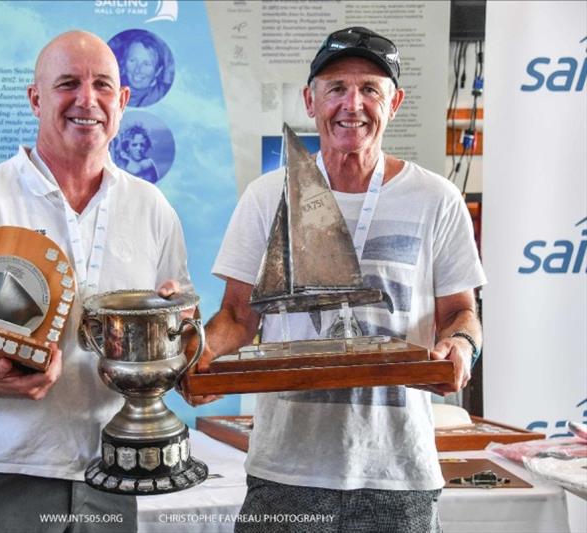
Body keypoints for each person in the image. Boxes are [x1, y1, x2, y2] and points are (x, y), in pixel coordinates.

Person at [185, 27, 486, 532]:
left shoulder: (436, 199)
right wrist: (202, 357)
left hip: (398, 473)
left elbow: (461, 313)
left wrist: (460, 345)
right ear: (310, 100)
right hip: (286, 469)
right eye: (336, 88)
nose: (354, 103)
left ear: (395, 102)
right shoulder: (266, 198)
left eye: (370, 88)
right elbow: (238, 316)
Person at [0, 30, 192, 533]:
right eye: (67, 84)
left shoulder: (153, 209)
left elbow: (179, 327)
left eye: (102, 85)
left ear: (122, 101)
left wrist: (172, 331)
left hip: (113, 473)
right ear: (35, 99)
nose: (86, 100)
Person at [120, 34, 168, 107]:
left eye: (146, 64)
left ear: (158, 71)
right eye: (132, 60)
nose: (137, 70)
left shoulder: (166, 101)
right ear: (124, 61)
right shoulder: (114, 88)